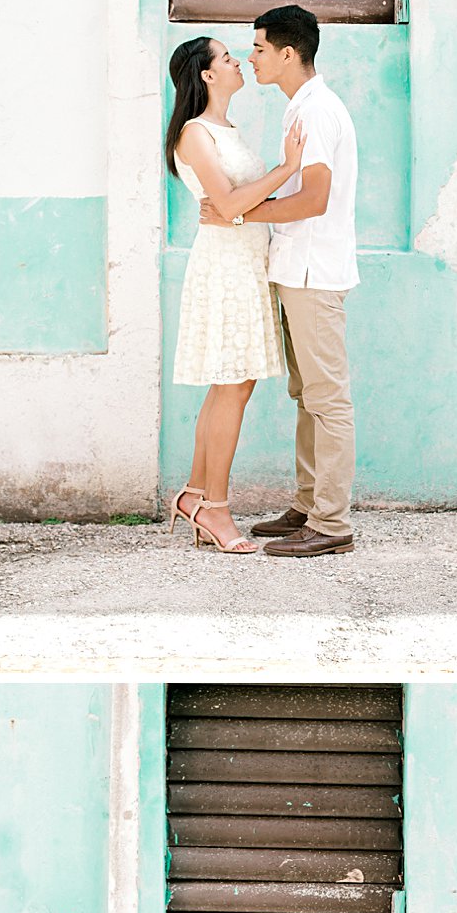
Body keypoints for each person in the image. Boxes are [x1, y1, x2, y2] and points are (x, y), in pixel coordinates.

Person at [200, 6, 360, 559]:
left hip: (316, 274)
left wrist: (240, 214)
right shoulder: (303, 107)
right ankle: (309, 505)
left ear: (288, 54)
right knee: (306, 395)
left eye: (260, 49)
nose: (251, 57)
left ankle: (331, 523)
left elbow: (315, 199)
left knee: (327, 399)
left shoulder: (317, 112)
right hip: (294, 272)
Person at [163, 35, 304, 554]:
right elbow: (225, 204)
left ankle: (197, 496)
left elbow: (232, 205)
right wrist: (286, 169)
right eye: (227, 58)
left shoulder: (225, 130)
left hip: (243, 261)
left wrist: (238, 205)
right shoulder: (195, 134)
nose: (239, 61)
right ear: (206, 74)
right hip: (224, 266)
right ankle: (214, 508)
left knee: (229, 385)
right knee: (233, 385)